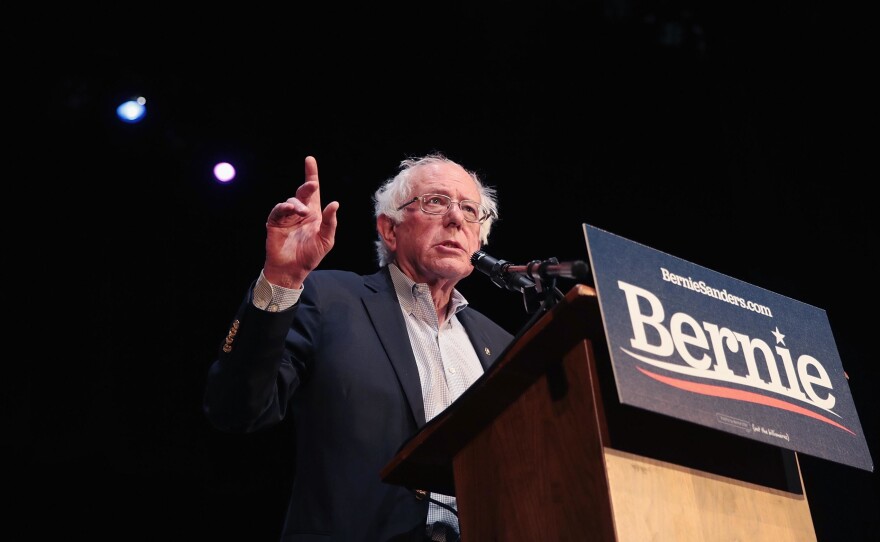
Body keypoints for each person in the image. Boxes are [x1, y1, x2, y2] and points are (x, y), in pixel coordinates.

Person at [203, 152, 514, 542]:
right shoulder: (329, 299)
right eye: (436, 201)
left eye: (470, 210)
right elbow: (236, 409)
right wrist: (281, 279)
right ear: (389, 229)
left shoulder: (502, 346)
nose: (456, 218)